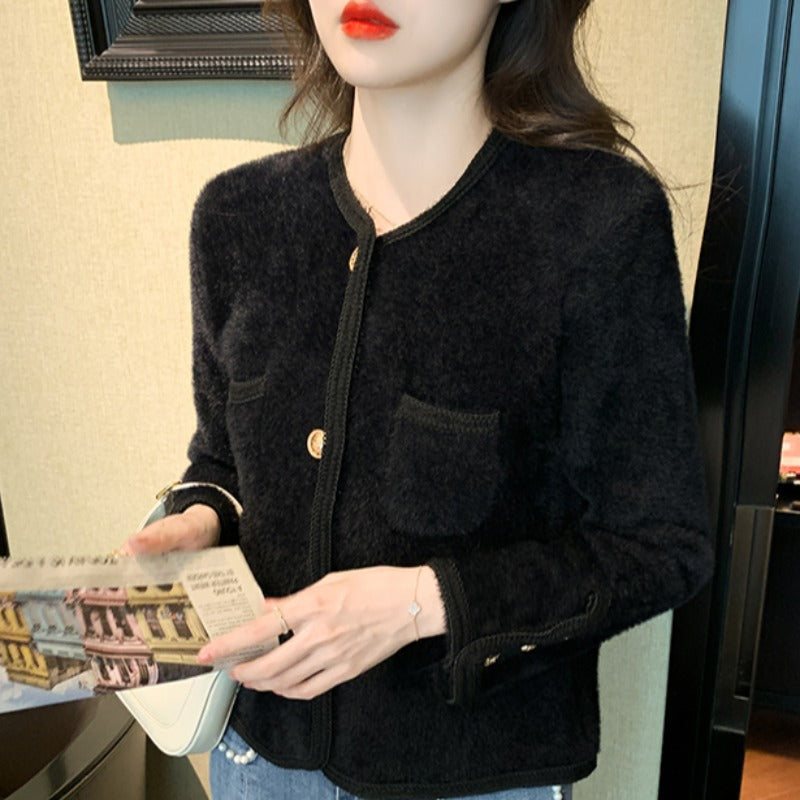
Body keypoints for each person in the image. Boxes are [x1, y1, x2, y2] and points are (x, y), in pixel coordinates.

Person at [121, 0, 714, 798]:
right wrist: (199, 515)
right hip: (256, 762)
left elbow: (661, 546)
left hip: (475, 776)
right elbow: (222, 457)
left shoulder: (596, 225)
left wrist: (418, 603)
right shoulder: (237, 218)